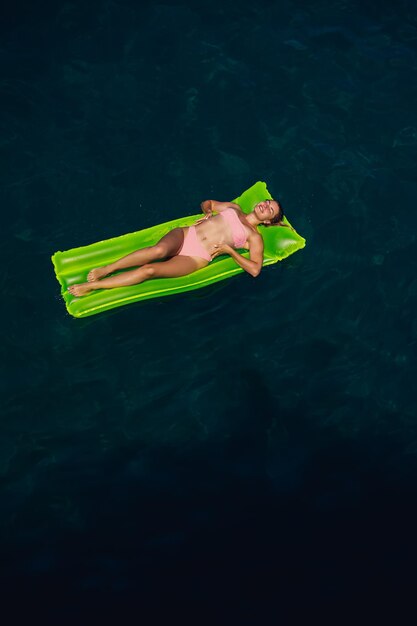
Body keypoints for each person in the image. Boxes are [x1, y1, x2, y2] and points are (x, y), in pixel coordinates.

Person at [68, 198, 286, 296]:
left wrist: (230, 251)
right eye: (267, 202)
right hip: (186, 234)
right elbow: (207, 203)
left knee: (149, 270)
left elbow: (255, 270)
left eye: (270, 210)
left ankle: (93, 287)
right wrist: (207, 213)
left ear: (268, 221)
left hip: (197, 256)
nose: (265, 206)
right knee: (157, 252)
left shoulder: (254, 237)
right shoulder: (234, 208)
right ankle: (108, 269)